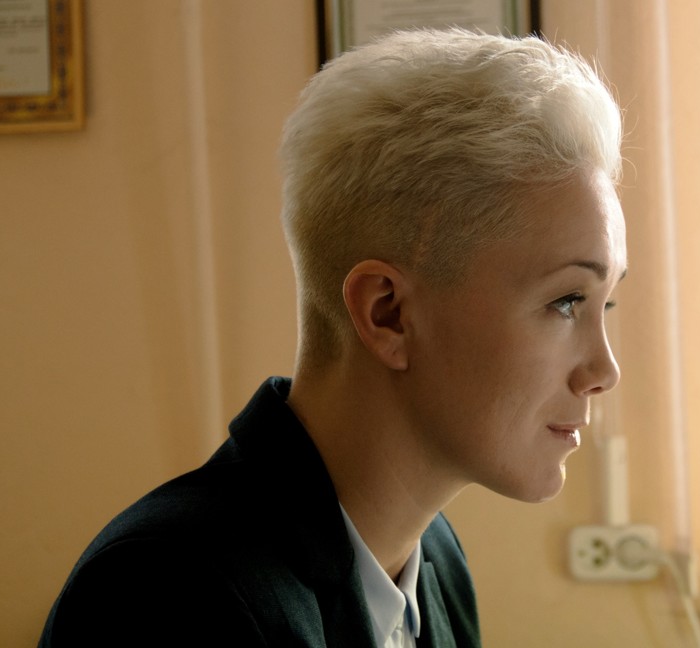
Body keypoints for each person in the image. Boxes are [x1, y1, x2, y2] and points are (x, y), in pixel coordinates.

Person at [39, 28, 625, 647]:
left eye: (605, 302)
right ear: (388, 314)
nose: (604, 370)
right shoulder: (165, 595)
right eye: (566, 301)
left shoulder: (434, 558)